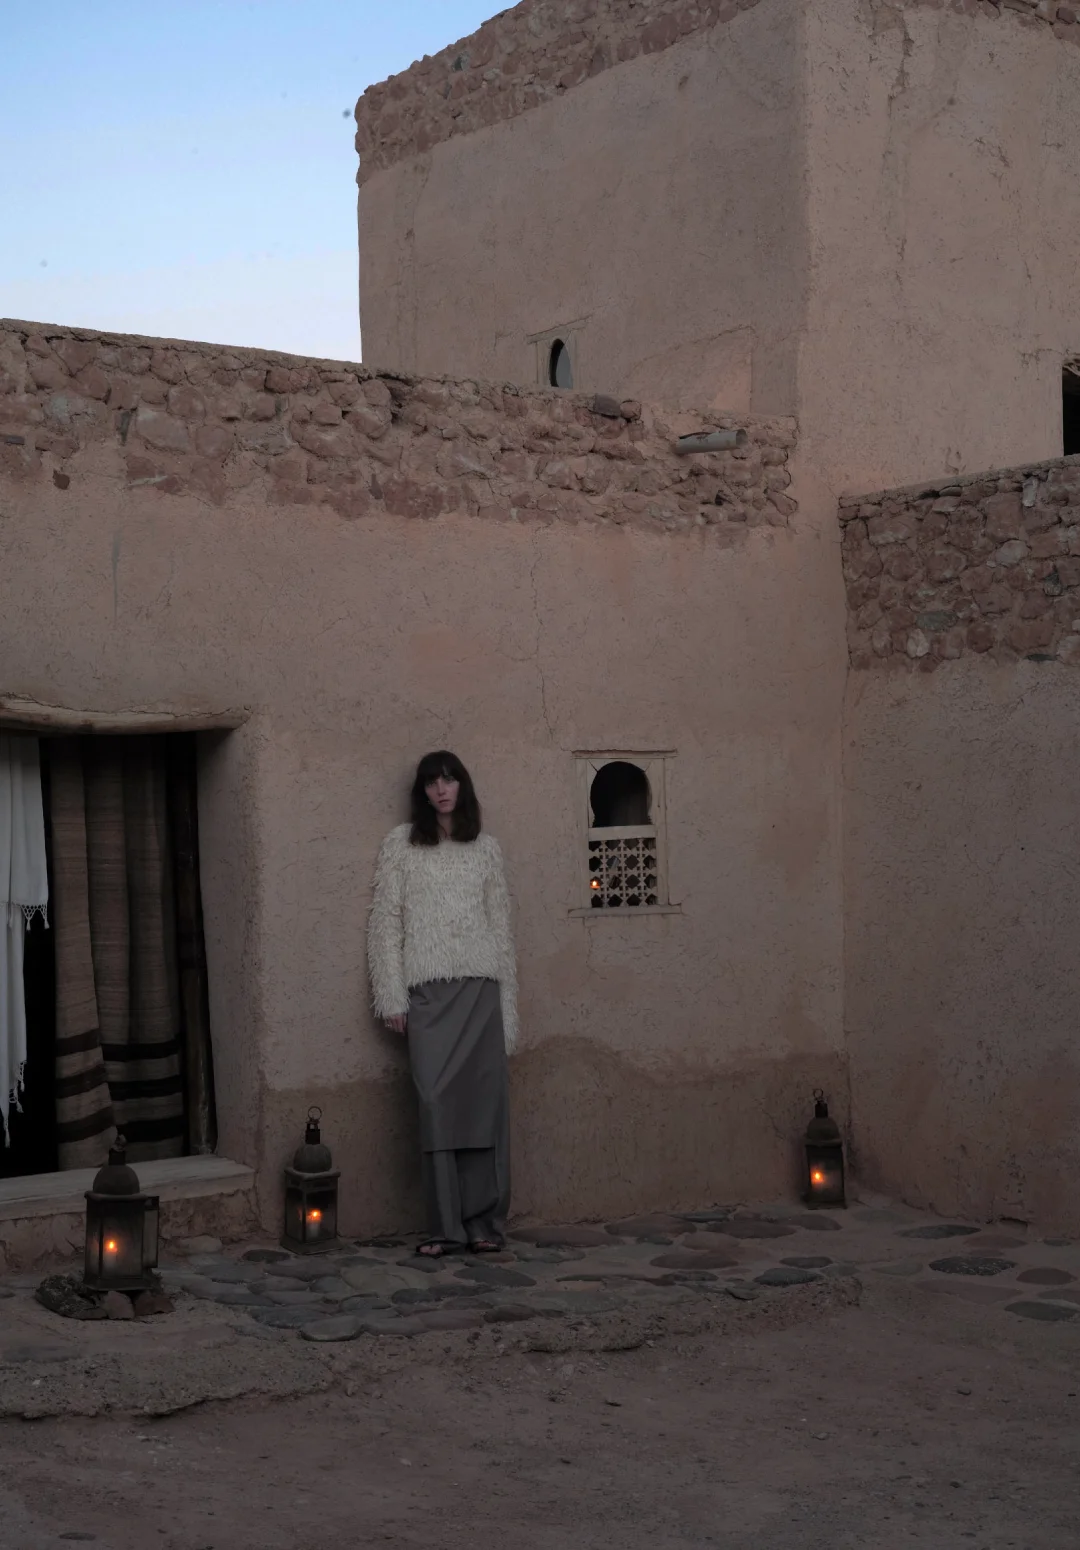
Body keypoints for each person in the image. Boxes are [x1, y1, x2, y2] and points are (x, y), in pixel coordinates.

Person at [368, 752, 517, 1257]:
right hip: (428, 993)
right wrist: (392, 994)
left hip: (481, 991)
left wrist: (508, 1013)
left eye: (450, 780)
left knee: (482, 1109)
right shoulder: (401, 844)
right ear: (423, 791)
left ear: (462, 786)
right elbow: (385, 922)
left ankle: (482, 1225)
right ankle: (444, 1228)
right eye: (433, 782)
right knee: (435, 1104)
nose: (442, 789)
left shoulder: (486, 849)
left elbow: (500, 929)